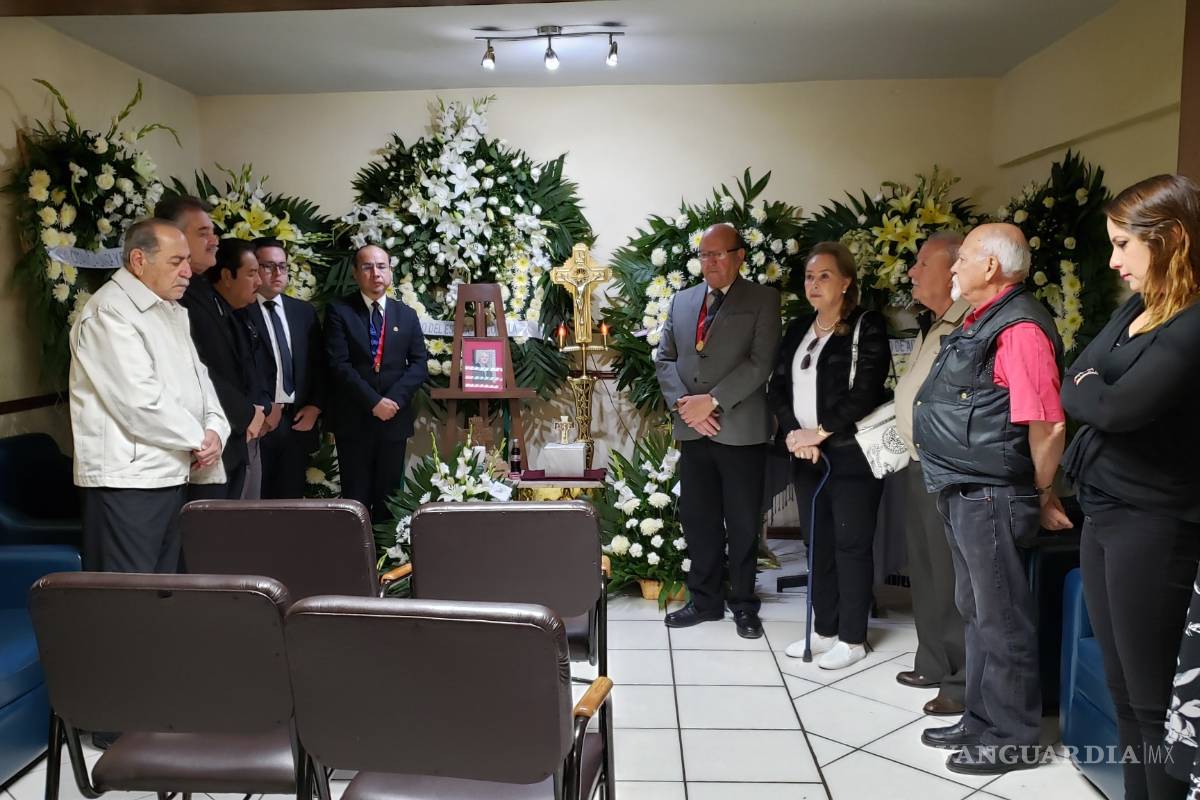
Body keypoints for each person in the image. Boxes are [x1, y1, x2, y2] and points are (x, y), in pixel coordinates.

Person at [1055, 175, 1200, 800]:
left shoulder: (1193, 324)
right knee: (1121, 692)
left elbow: (1114, 409)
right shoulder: (1139, 309)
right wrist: (1094, 387)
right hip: (1106, 512)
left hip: (1156, 523)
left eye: (1122, 245)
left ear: (1168, 240)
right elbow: (1073, 376)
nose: (1113, 261)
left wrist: (1094, 387)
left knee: (1151, 703)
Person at [912, 222, 1072, 775]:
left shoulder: (1020, 328)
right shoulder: (983, 319)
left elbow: (1047, 424)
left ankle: (1013, 736)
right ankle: (981, 719)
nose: (953, 266)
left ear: (992, 267)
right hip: (964, 486)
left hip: (993, 493)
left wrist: (1041, 490)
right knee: (977, 611)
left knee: (1001, 617)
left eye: (962, 257)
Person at [69, 218, 229, 575]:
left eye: (188, 260)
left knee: (164, 591)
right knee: (128, 598)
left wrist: (217, 431)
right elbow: (138, 402)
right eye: (176, 262)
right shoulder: (109, 312)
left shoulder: (168, 309)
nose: (188, 271)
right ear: (139, 260)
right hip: (128, 483)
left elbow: (201, 383)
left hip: (171, 472)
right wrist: (198, 439)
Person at [654, 222, 781, 639]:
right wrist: (685, 406)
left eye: (718, 254)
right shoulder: (683, 300)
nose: (709, 262)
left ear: (739, 256)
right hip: (693, 430)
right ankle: (704, 600)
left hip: (740, 429)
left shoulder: (762, 300)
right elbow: (665, 358)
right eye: (704, 255)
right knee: (699, 520)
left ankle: (744, 603)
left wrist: (713, 401)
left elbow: (761, 363)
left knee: (743, 522)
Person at [768, 242, 890, 669]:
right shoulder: (800, 326)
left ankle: (853, 638)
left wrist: (817, 433)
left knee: (851, 544)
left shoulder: (866, 325)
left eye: (824, 276)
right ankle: (825, 629)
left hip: (850, 454)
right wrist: (792, 436)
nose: (814, 284)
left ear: (846, 282)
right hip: (805, 455)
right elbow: (778, 386)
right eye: (808, 277)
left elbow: (867, 392)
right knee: (816, 544)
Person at [892, 232, 970, 713]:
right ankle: (933, 660)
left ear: (953, 270)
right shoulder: (934, 323)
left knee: (950, 574)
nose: (912, 272)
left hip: (945, 465)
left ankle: (959, 675)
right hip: (915, 461)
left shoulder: (967, 324)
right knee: (924, 568)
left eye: (923, 263)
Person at [156, 195, 267, 499]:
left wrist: (254, 409)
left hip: (229, 438)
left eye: (213, 232)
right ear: (174, 236)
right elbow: (196, 367)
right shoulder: (175, 296)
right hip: (204, 441)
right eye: (203, 233)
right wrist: (246, 412)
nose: (214, 241)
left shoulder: (204, 289)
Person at [325, 244, 428, 520]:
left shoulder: (406, 314)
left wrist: (392, 401)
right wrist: (374, 402)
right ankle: (355, 560)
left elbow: (419, 364)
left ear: (390, 271)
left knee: (389, 497)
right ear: (356, 273)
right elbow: (339, 365)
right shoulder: (339, 311)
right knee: (355, 500)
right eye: (367, 267)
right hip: (354, 419)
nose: (375, 273)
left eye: (381, 266)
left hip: (393, 420)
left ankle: (386, 557)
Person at [246, 238, 325, 499]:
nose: (277, 273)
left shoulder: (302, 312)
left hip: (297, 421)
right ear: (253, 268)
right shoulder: (240, 310)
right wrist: (264, 406)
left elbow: (318, 364)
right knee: (256, 499)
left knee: (289, 500)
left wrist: (314, 406)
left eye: (282, 266)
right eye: (268, 266)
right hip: (259, 420)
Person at [208, 237, 275, 499]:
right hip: (227, 431)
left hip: (252, 425)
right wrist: (248, 413)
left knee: (248, 515)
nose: (259, 282)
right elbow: (213, 377)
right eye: (251, 273)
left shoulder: (240, 313)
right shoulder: (205, 315)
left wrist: (262, 408)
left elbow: (256, 367)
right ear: (226, 275)